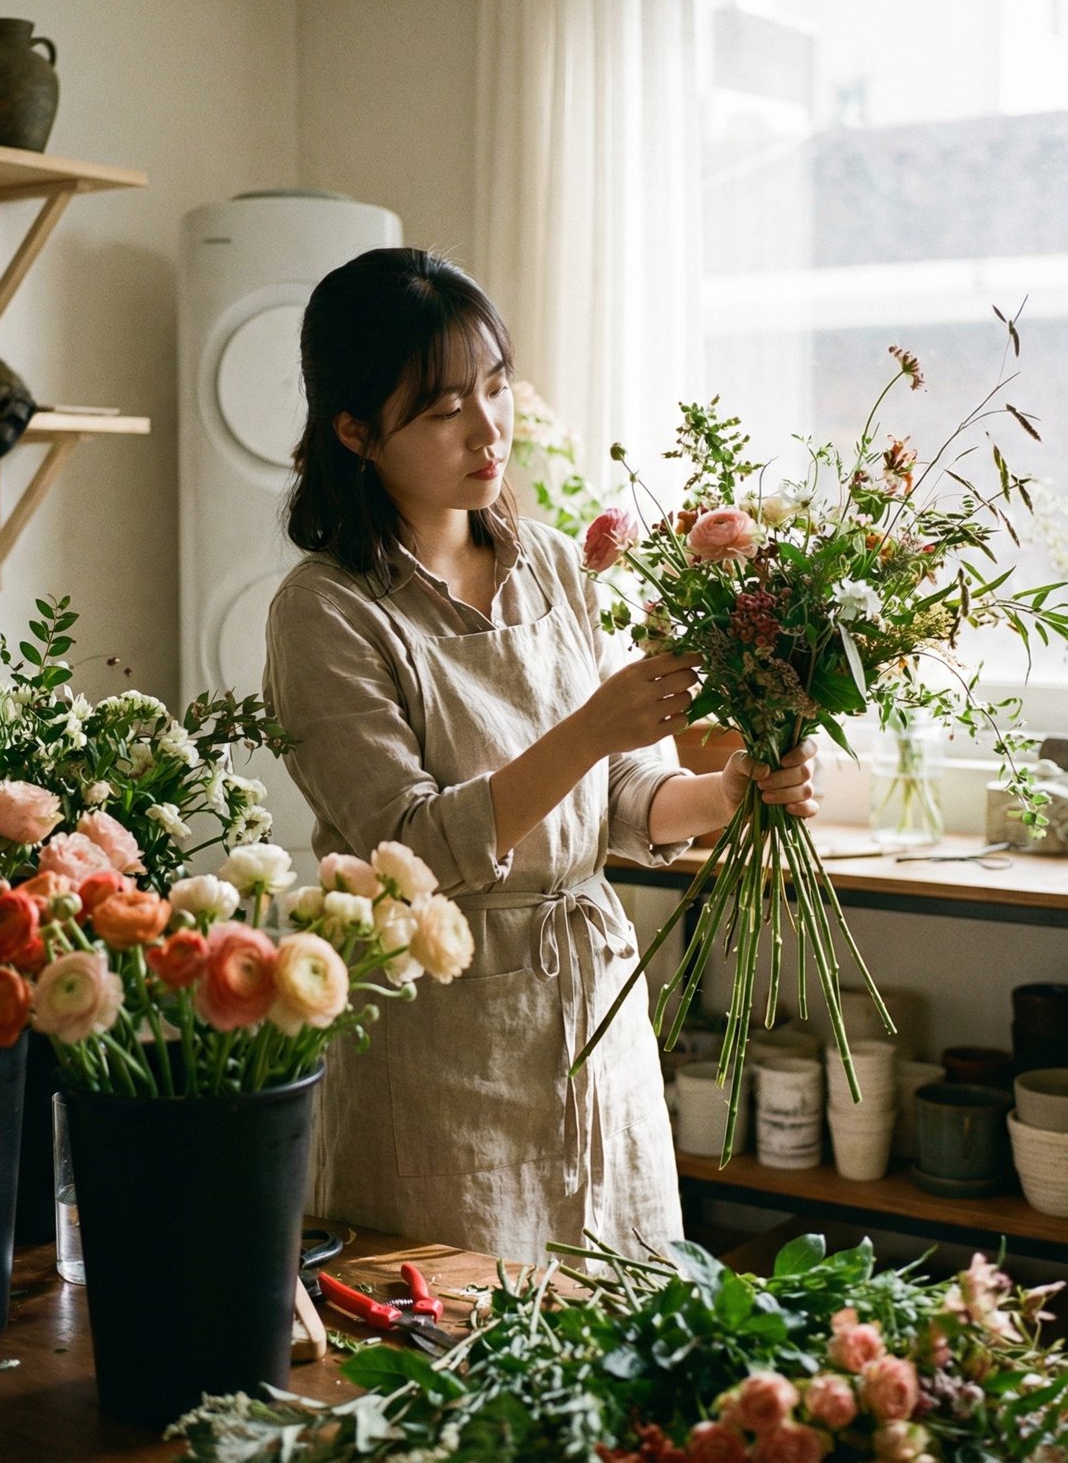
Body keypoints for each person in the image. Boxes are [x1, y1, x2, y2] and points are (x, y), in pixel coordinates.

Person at [262, 248, 817, 1263]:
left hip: (596, 1016)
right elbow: (411, 848)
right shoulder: (326, 611)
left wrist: (732, 792)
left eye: (495, 385)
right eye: (441, 409)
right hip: (438, 1040)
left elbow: (615, 801)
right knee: (452, 1354)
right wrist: (591, 729)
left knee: (618, 1340)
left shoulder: (553, 563)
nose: (488, 429)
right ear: (354, 430)